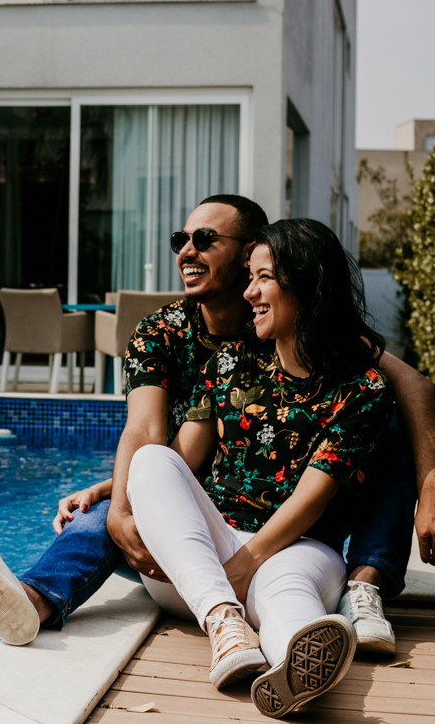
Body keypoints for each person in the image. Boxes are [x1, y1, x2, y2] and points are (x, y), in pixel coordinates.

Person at [0, 196, 435, 652]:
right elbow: (148, 437)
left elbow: (414, 387)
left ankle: (362, 587)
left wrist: (434, 482)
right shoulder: (169, 335)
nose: (186, 250)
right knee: (113, 507)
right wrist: (117, 502)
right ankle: (31, 601)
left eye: (205, 239)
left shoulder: (305, 329)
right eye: (181, 238)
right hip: (193, 507)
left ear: (253, 256)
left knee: (388, 418)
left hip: (288, 530)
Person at [127, 217, 391, 717]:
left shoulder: (362, 390)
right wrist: (114, 490)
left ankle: (297, 667)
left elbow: (310, 500)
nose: (248, 293)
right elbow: (177, 463)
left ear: (307, 284)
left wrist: (246, 563)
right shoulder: (231, 363)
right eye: (249, 277)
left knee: (287, 590)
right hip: (203, 561)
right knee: (150, 458)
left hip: (298, 547)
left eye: (263, 278)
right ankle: (225, 624)